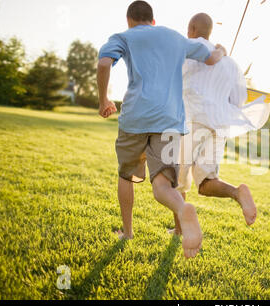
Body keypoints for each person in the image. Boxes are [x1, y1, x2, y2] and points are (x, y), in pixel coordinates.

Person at [97, 1, 227, 259]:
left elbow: (103, 64)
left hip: (135, 118)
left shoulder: (123, 36)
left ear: (129, 20)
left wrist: (103, 100)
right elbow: (211, 58)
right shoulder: (174, 37)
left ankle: (128, 232)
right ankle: (182, 208)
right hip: (169, 121)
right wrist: (222, 50)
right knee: (162, 184)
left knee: (126, 176)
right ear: (153, 20)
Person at [170, 13, 259, 236]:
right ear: (210, 31)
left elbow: (171, 81)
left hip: (192, 119)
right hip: (219, 125)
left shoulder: (186, 47)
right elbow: (238, 101)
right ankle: (237, 193)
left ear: (191, 28)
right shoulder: (231, 64)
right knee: (206, 182)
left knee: (177, 182)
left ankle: (180, 229)